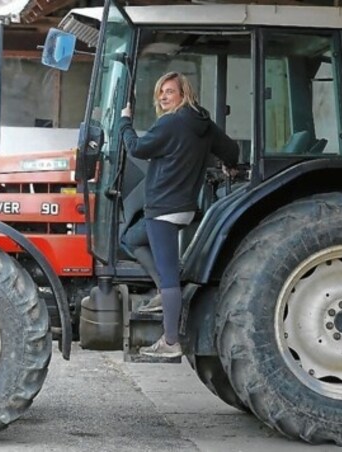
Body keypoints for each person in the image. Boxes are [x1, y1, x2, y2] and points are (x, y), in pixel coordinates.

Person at [118, 71, 240, 358]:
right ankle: (163, 292)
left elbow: (136, 147)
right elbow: (231, 148)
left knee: (170, 276)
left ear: (183, 94)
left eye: (169, 91)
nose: (162, 96)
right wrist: (229, 164)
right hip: (184, 208)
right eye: (160, 92)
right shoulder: (204, 124)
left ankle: (170, 342)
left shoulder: (171, 123)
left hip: (163, 209)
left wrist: (125, 121)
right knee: (132, 239)